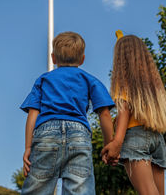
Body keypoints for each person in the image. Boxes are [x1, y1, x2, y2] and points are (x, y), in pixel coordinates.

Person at [20, 31, 115, 195]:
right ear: (82, 59)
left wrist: (28, 147)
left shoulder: (43, 80)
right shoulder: (89, 79)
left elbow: (32, 115)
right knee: (80, 189)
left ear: (53, 58)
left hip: (45, 135)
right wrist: (109, 144)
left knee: (36, 190)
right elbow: (104, 113)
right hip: (79, 135)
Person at [101, 31, 166, 195]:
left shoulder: (123, 80)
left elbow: (125, 108)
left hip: (135, 138)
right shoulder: (153, 86)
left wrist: (117, 141)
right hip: (157, 138)